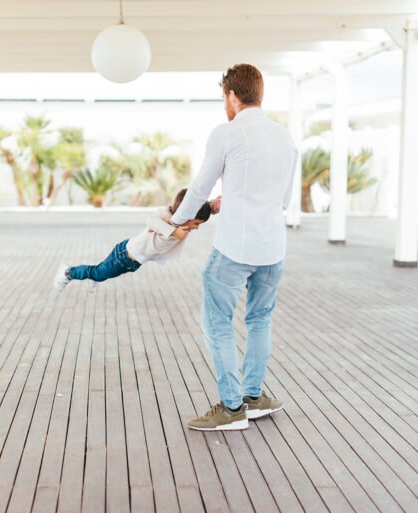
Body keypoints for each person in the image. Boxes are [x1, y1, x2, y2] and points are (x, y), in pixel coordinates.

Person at [173, 64, 298, 431]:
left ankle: (231, 408)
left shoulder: (226, 134)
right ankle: (253, 398)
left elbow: (200, 186)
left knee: (217, 324)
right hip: (273, 249)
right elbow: (284, 200)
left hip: (234, 250)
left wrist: (176, 219)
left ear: (231, 96)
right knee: (259, 320)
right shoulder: (285, 138)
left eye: (223, 97)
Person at [53, 188, 213, 292]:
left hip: (132, 261)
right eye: (196, 223)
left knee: (102, 272)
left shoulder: (181, 223)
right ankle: (68, 272)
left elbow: (195, 207)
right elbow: (151, 220)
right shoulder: (169, 220)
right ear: (187, 215)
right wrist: (173, 232)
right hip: (124, 256)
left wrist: (211, 207)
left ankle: (94, 276)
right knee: (98, 273)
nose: (196, 228)